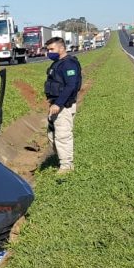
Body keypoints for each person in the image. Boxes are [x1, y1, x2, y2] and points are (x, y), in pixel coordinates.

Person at [44, 37, 82, 175]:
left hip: (63, 106)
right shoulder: (57, 63)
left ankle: (66, 166)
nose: (49, 52)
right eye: (48, 50)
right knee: (52, 135)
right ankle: (60, 159)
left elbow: (71, 86)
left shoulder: (69, 64)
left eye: (52, 49)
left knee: (63, 136)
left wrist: (59, 104)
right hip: (55, 105)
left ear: (61, 48)